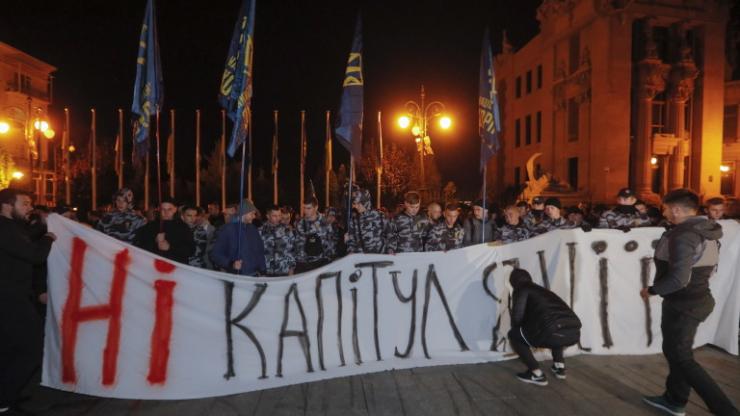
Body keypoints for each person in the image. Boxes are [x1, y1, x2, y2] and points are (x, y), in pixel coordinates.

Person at [640, 189, 739, 416]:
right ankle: (674, 399)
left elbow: (679, 278)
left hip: (685, 305)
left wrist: (653, 290)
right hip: (694, 300)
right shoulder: (705, 229)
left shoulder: (684, 234)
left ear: (676, 209)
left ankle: (726, 411)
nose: (664, 211)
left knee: (682, 357)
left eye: (665, 207)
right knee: (675, 351)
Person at [0, 188, 56, 414]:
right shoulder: (3, 229)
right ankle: (4, 399)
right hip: (9, 299)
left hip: (14, 297)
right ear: (6, 205)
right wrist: (49, 238)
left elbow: (27, 239)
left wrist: (47, 226)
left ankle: (7, 393)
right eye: (24, 204)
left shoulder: (12, 227)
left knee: (9, 349)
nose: (29, 208)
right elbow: (34, 255)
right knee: (31, 349)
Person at [507, 268, 581, 386]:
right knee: (556, 329)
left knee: (514, 335)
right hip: (574, 332)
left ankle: (536, 374)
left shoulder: (521, 289)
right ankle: (559, 367)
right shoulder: (544, 291)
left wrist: (520, 330)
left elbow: (517, 316)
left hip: (553, 332)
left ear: (513, 282)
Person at [210, 199, 266, 276]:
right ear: (244, 213)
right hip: (237, 276)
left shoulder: (253, 229)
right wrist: (231, 264)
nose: (254, 216)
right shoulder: (227, 230)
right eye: (252, 214)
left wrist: (263, 270)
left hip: (255, 275)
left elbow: (260, 251)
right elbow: (216, 254)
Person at [134, 197, 194, 264]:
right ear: (159, 209)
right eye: (163, 209)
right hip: (154, 267)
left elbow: (190, 250)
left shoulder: (183, 227)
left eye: (169, 209)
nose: (166, 212)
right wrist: (155, 242)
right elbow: (139, 247)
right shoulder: (150, 226)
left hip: (176, 269)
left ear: (175, 209)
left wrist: (170, 247)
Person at [294, 197, 336, 272]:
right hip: (304, 264)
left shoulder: (325, 222)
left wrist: (329, 261)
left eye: (308, 208)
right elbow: (298, 244)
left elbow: (331, 243)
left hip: (321, 263)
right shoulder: (300, 223)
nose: (305, 211)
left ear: (316, 207)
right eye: (304, 208)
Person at [346, 187, 390, 254]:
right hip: (362, 259)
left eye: (358, 203)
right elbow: (352, 241)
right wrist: (350, 250)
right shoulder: (354, 221)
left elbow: (391, 235)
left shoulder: (381, 216)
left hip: (380, 258)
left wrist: (390, 249)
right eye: (354, 203)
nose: (355, 206)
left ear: (365, 202)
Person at [259, 205, 297, 276]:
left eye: (279, 215)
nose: (278, 218)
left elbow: (292, 250)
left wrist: (291, 269)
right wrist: (260, 271)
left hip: (284, 271)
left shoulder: (287, 230)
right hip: (267, 272)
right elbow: (257, 252)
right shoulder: (260, 231)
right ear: (268, 216)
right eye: (274, 216)